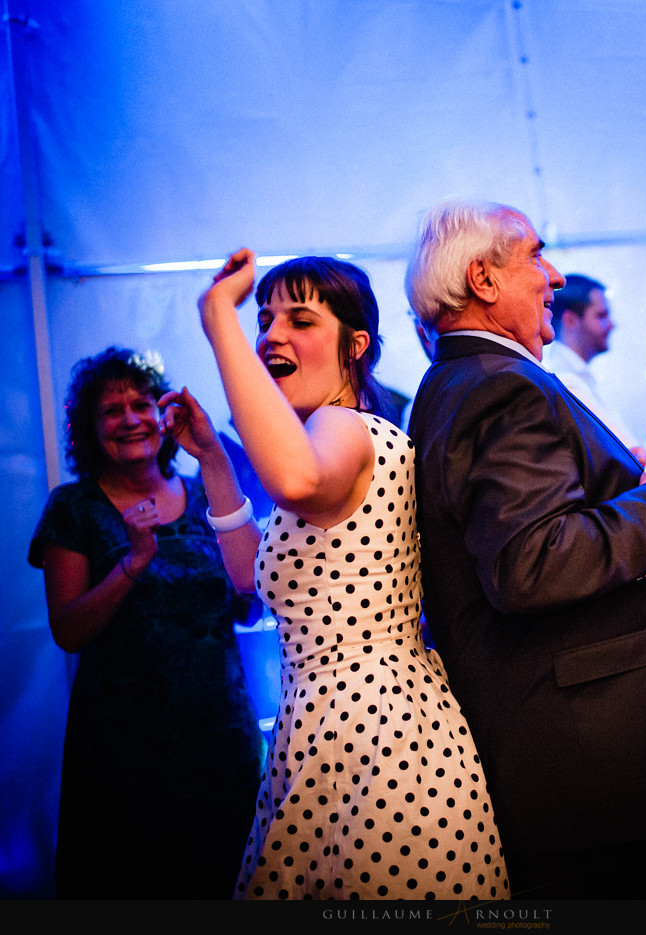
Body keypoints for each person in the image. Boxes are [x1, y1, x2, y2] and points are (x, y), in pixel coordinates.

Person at [160, 249, 508, 900]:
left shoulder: (343, 427)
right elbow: (246, 578)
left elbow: (291, 478)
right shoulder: (329, 439)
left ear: (356, 345)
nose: (270, 334)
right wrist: (212, 458)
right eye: (262, 320)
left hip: (376, 731)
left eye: (299, 319)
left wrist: (219, 320)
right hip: (326, 727)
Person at [404, 199, 646, 900]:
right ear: (483, 279)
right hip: (579, 757)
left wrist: (628, 491)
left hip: (571, 748)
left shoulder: (464, 381)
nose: (555, 275)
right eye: (536, 255)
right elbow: (531, 564)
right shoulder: (499, 386)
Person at [28, 347, 265, 899]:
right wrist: (132, 564)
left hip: (219, 737)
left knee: (231, 879)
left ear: (165, 416)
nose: (132, 419)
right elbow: (68, 630)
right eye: (112, 411)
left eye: (142, 404)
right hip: (123, 749)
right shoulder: (74, 508)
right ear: (89, 429)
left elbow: (249, 605)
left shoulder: (208, 492)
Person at [542, 274, 643, 453]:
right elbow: (626, 451)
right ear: (571, 320)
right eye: (602, 316)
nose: (612, 325)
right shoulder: (564, 378)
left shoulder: (578, 374)